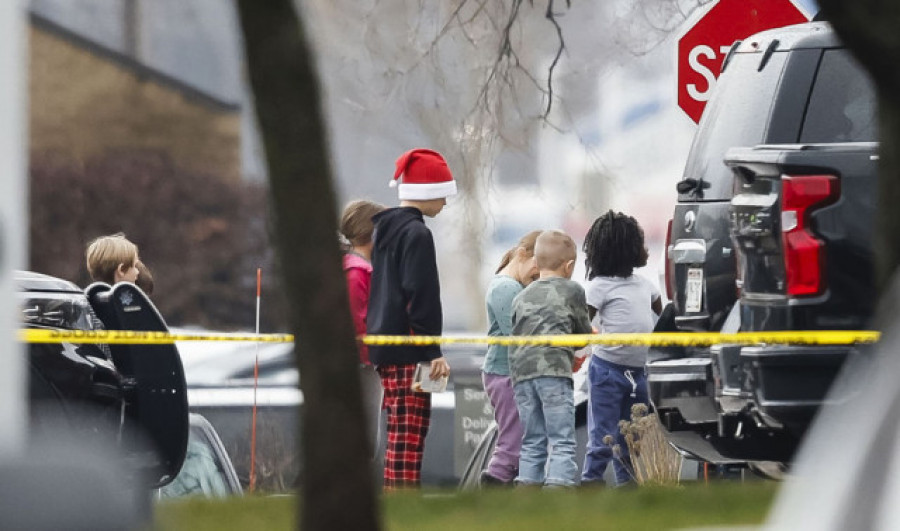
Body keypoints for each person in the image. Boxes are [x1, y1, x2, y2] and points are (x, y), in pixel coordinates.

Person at [366, 148, 455, 489]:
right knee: (409, 441)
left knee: (398, 440)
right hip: (410, 351)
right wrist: (432, 349)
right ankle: (402, 513)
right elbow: (422, 294)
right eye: (443, 193)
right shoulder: (418, 235)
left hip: (387, 346)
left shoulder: (384, 230)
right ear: (428, 191)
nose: (445, 203)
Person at [580, 211, 661, 487]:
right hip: (607, 371)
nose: (646, 249)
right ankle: (591, 479)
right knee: (603, 432)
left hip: (639, 373)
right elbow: (581, 323)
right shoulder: (598, 288)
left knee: (632, 432)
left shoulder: (646, 286)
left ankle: (627, 483)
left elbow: (663, 319)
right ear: (625, 250)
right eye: (641, 243)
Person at [508, 230, 592, 488]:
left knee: (532, 439)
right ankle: (558, 490)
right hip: (554, 372)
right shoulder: (572, 291)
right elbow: (583, 333)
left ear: (536, 262)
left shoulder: (520, 296)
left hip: (521, 376)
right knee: (562, 438)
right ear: (569, 266)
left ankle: (527, 491)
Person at [479, 230, 541, 486]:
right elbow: (516, 333)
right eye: (537, 272)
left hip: (511, 372)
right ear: (523, 253)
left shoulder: (513, 286)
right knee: (512, 443)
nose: (538, 279)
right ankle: (494, 489)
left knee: (520, 440)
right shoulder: (505, 288)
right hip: (504, 373)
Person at [339, 199, 386, 460]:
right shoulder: (357, 272)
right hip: (363, 365)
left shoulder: (355, 269)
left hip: (365, 363)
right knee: (365, 444)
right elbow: (360, 323)